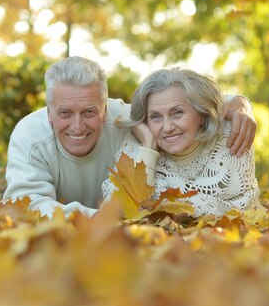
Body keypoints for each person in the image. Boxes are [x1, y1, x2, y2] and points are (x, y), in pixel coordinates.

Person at [3, 57, 257, 218]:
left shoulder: (125, 118)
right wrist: (105, 220)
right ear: (49, 112)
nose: (77, 126)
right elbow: (24, 205)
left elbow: (188, 102)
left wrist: (240, 103)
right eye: (65, 113)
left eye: (89, 112)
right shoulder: (30, 136)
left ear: (106, 109)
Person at [101, 68, 260, 216]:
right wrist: (149, 147)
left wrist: (159, 206)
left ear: (202, 114)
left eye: (177, 113)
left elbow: (244, 206)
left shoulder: (231, 134)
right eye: (155, 117)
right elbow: (118, 209)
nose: (167, 127)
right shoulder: (139, 142)